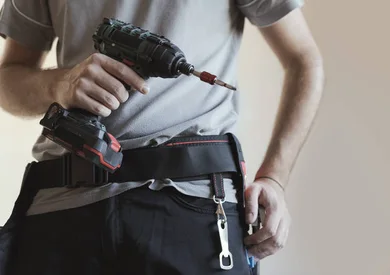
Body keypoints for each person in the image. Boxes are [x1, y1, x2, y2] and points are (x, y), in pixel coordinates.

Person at [0, 0, 324, 274]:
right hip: (61, 206)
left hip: (193, 205)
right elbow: (8, 78)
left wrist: (274, 179)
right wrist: (60, 84)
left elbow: (303, 60)